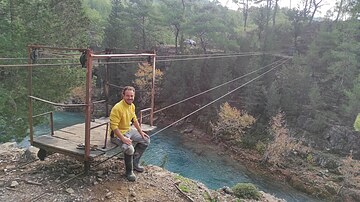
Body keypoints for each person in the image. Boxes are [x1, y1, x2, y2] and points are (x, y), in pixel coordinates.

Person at [109, 86, 150, 181]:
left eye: (132, 96)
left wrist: (141, 132)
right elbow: (113, 126)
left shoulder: (132, 106)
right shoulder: (117, 108)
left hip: (128, 130)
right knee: (129, 149)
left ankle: (135, 163)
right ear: (123, 95)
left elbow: (134, 119)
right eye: (127, 96)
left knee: (146, 140)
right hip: (117, 135)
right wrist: (123, 139)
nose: (130, 98)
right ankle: (129, 172)